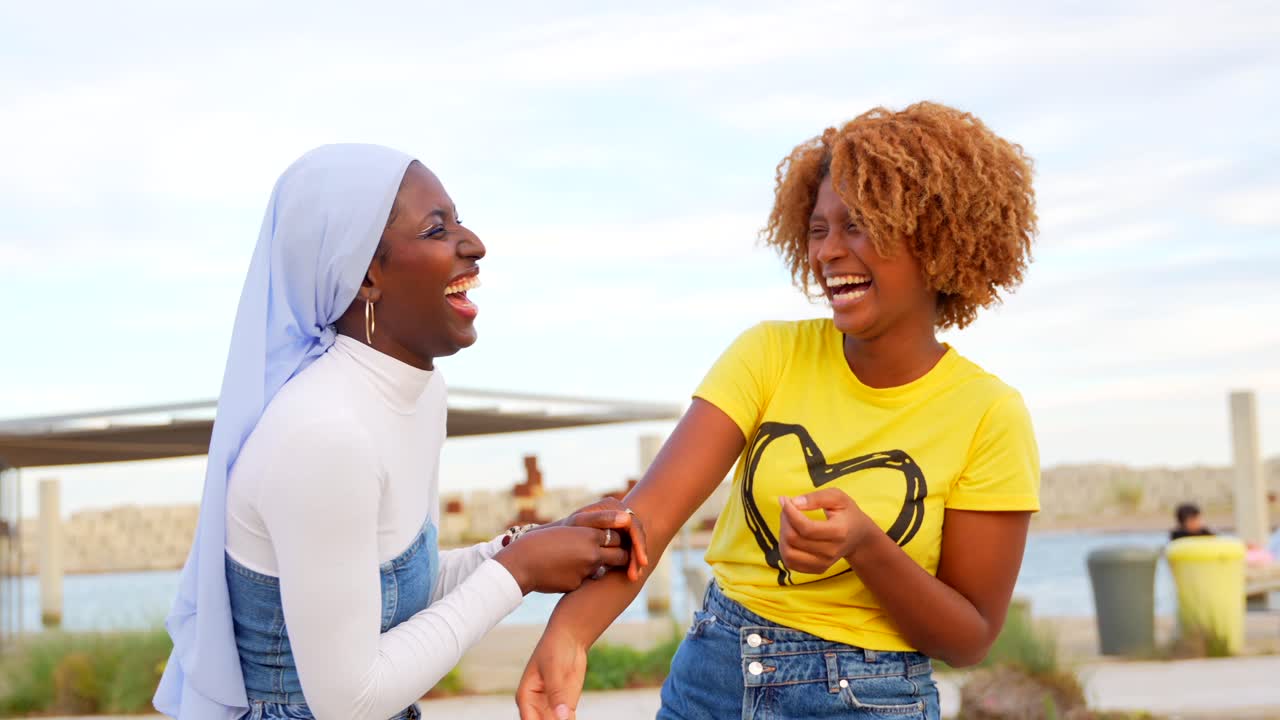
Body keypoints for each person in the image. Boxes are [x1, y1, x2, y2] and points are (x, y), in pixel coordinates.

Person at [517, 102, 1040, 720]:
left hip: (871, 701)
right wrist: (570, 634)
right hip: (711, 683)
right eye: (818, 229)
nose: (828, 253)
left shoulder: (989, 414)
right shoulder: (768, 354)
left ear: (937, 237)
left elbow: (969, 637)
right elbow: (649, 519)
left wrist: (866, 546)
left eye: (859, 225)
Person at [154, 144, 647, 720]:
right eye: (437, 229)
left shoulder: (419, 396)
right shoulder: (322, 436)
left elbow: (396, 595)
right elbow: (350, 700)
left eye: (459, 221)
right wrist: (519, 571)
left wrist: (528, 544)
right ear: (367, 275)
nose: (474, 244)